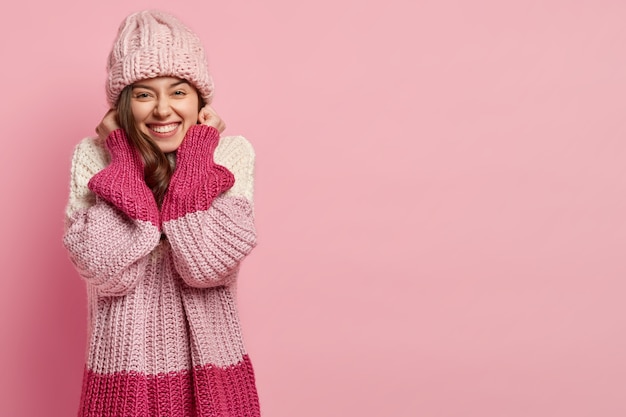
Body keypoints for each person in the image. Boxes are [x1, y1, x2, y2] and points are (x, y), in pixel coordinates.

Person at [63, 9, 261, 416]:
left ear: (200, 99)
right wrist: (122, 161)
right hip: (121, 372)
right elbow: (105, 270)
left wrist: (196, 157)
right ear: (122, 104)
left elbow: (206, 265)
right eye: (143, 94)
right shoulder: (93, 156)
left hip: (213, 366)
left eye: (178, 91)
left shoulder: (230, 154)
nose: (162, 110)